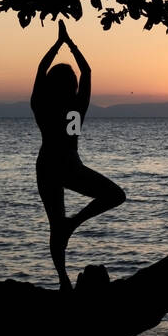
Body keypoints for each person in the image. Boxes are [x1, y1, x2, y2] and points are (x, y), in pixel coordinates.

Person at [31, 20, 125, 290]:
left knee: (55, 226)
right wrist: (70, 44)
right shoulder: (76, 106)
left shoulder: (41, 105)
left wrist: (57, 44)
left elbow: (40, 70)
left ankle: (63, 280)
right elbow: (87, 70)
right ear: (71, 84)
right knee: (115, 195)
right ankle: (74, 224)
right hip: (68, 165)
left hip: (47, 164)